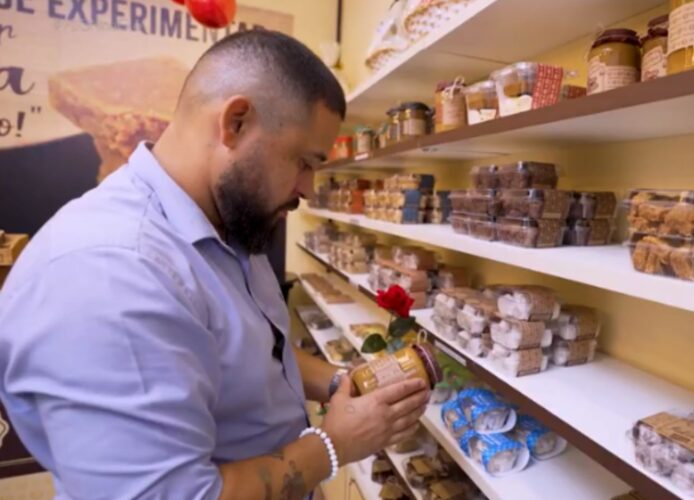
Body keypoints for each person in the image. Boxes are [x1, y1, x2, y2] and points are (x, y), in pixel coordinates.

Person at [0, 31, 430, 499]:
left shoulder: (228, 225)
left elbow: (255, 354)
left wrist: (339, 382)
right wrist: (333, 445)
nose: (308, 188)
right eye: (304, 161)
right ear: (236, 123)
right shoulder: (111, 274)